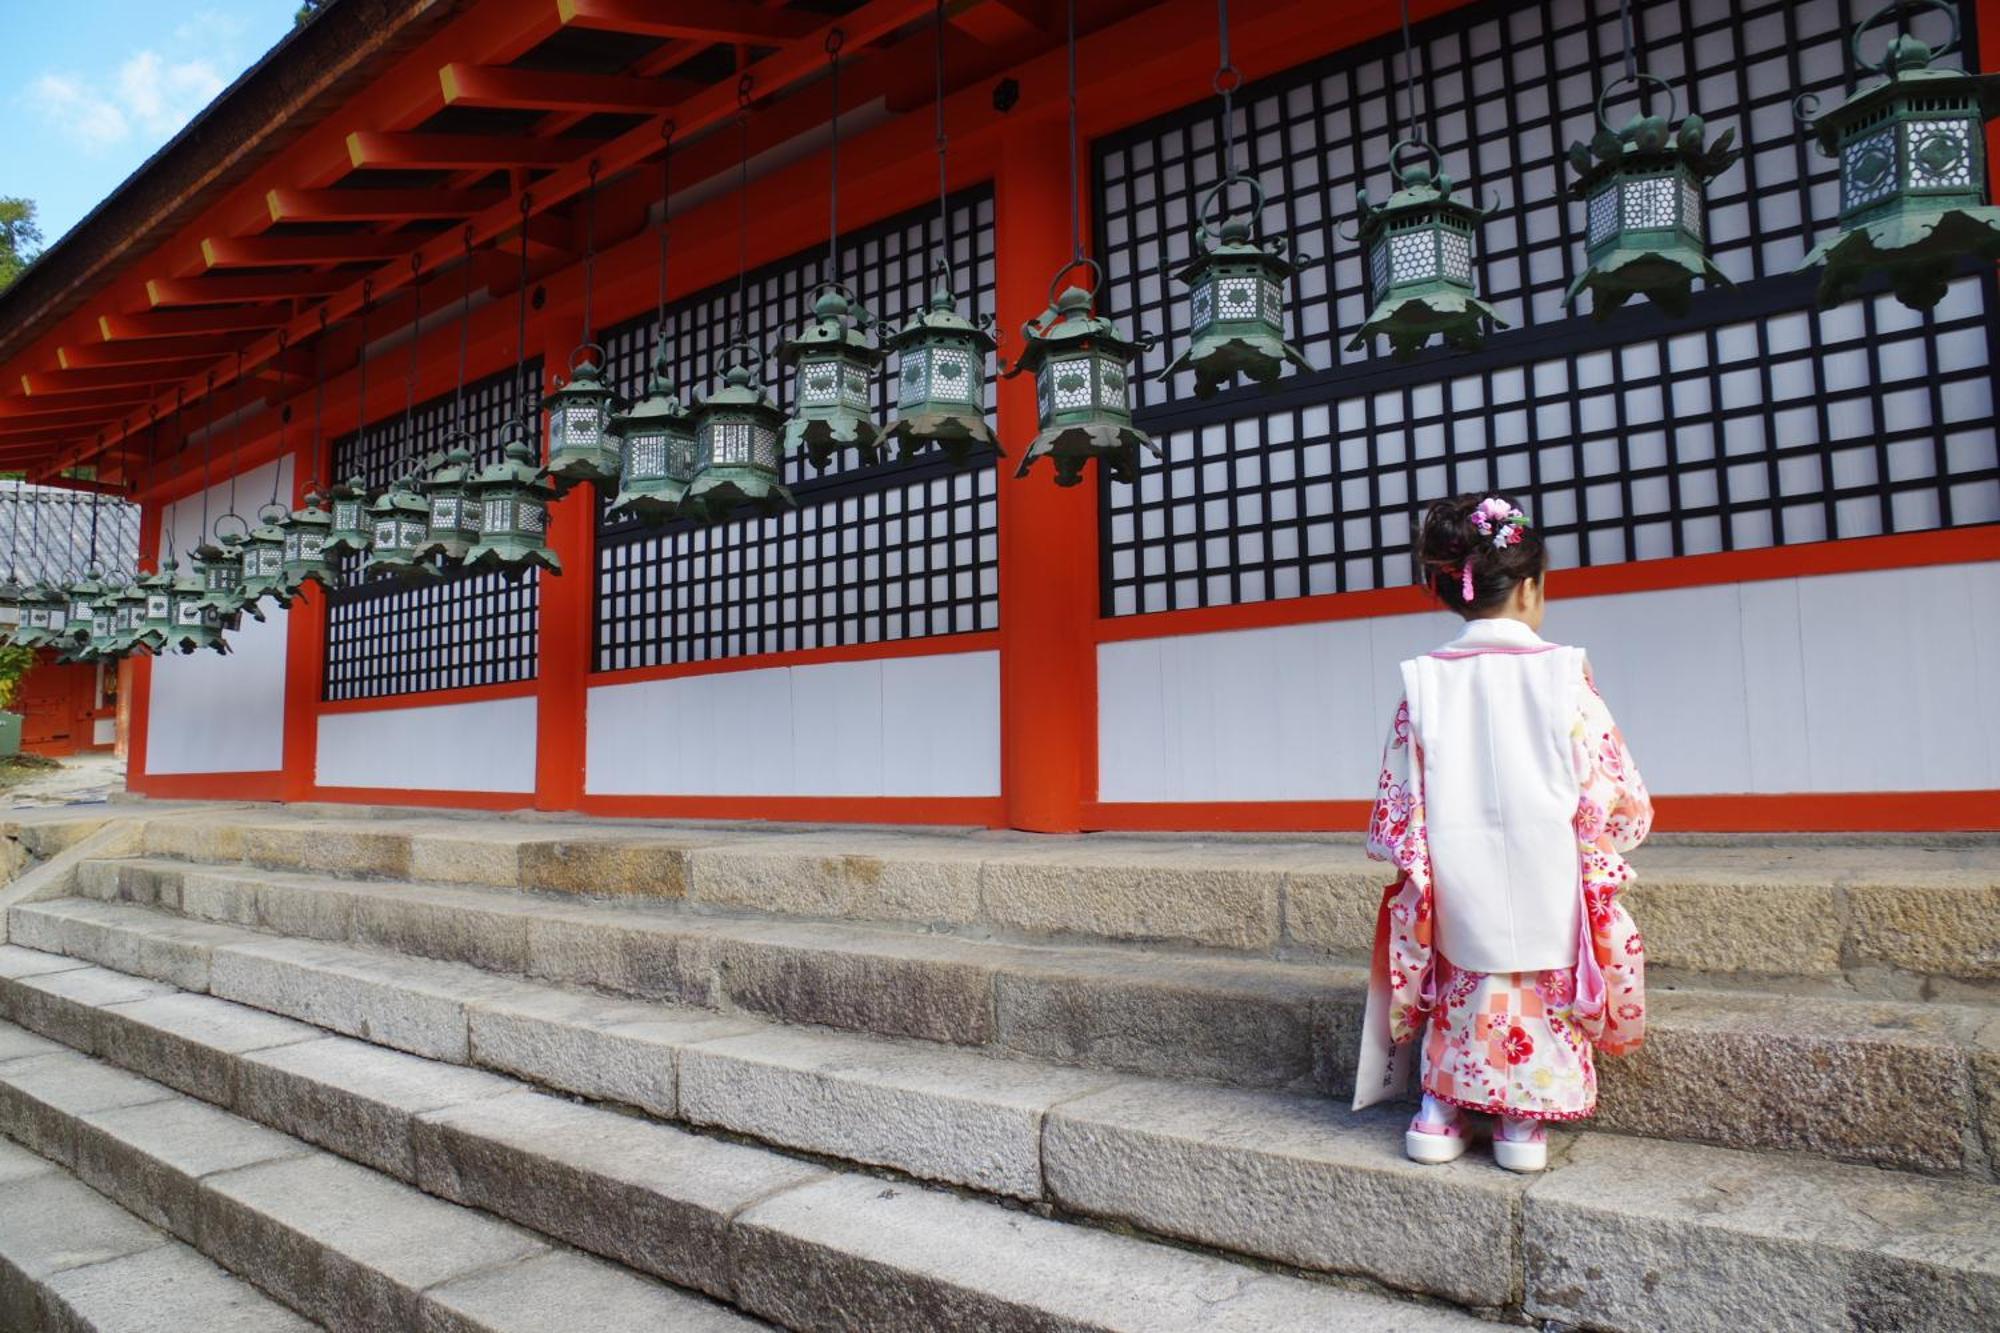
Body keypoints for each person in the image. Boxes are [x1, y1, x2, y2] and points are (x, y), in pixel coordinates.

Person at [1353, 494, 1652, 1173]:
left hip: (1459, 888)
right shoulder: (1563, 672)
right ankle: (1522, 1121)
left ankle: (1439, 1110)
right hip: (1548, 884)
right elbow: (1611, 788)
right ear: (1527, 587)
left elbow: (1400, 804)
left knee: (1462, 985)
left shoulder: (1424, 681)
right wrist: (1608, 836)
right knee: (1534, 991)